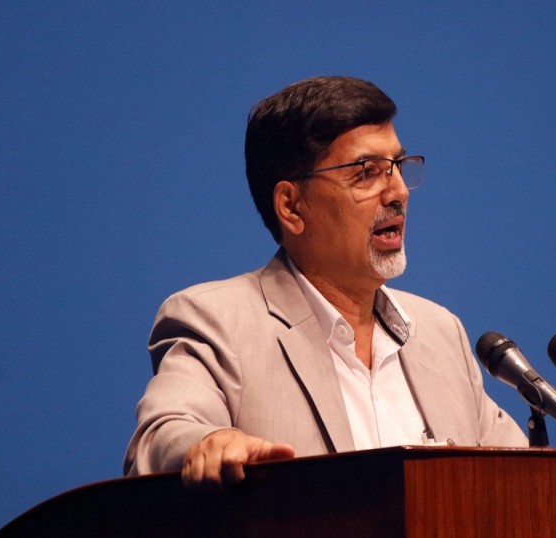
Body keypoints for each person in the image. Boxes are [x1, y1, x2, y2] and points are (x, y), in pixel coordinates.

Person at [124, 76, 527, 489]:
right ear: (291, 207)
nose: (399, 192)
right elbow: (159, 436)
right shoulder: (218, 321)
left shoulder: (441, 334)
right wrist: (209, 442)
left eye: (398, 166)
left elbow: (523, 478)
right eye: (367, 172)